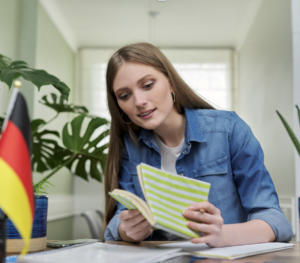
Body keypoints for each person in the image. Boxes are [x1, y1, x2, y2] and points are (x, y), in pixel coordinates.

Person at [102, 42, 293, 246]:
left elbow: (275, 220)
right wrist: (127, 230)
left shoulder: (229, 130)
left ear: (171, 82)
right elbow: (119, 220)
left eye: (148, 85)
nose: (139, 101)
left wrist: (222, 236)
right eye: (125, 95)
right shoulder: (131, 147)